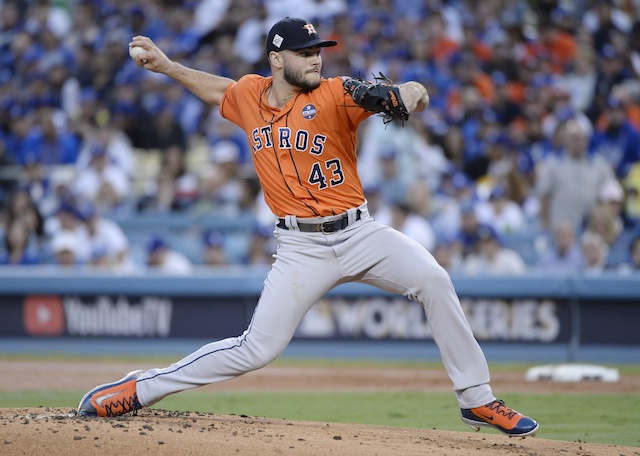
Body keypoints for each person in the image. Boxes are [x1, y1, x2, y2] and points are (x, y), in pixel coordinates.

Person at [77, 18, 538, 437]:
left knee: (435, 280)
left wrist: (405, 95)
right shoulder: (250, 96)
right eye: (304, 52)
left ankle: (477, 399)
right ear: (277, 60)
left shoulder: (337, 92)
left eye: (318, 50)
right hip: (300, 247)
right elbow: (221, 91)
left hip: (360, 233)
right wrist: (169, 66)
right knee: (256, 349)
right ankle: (139, 389)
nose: (315, 58)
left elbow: (416, 92)